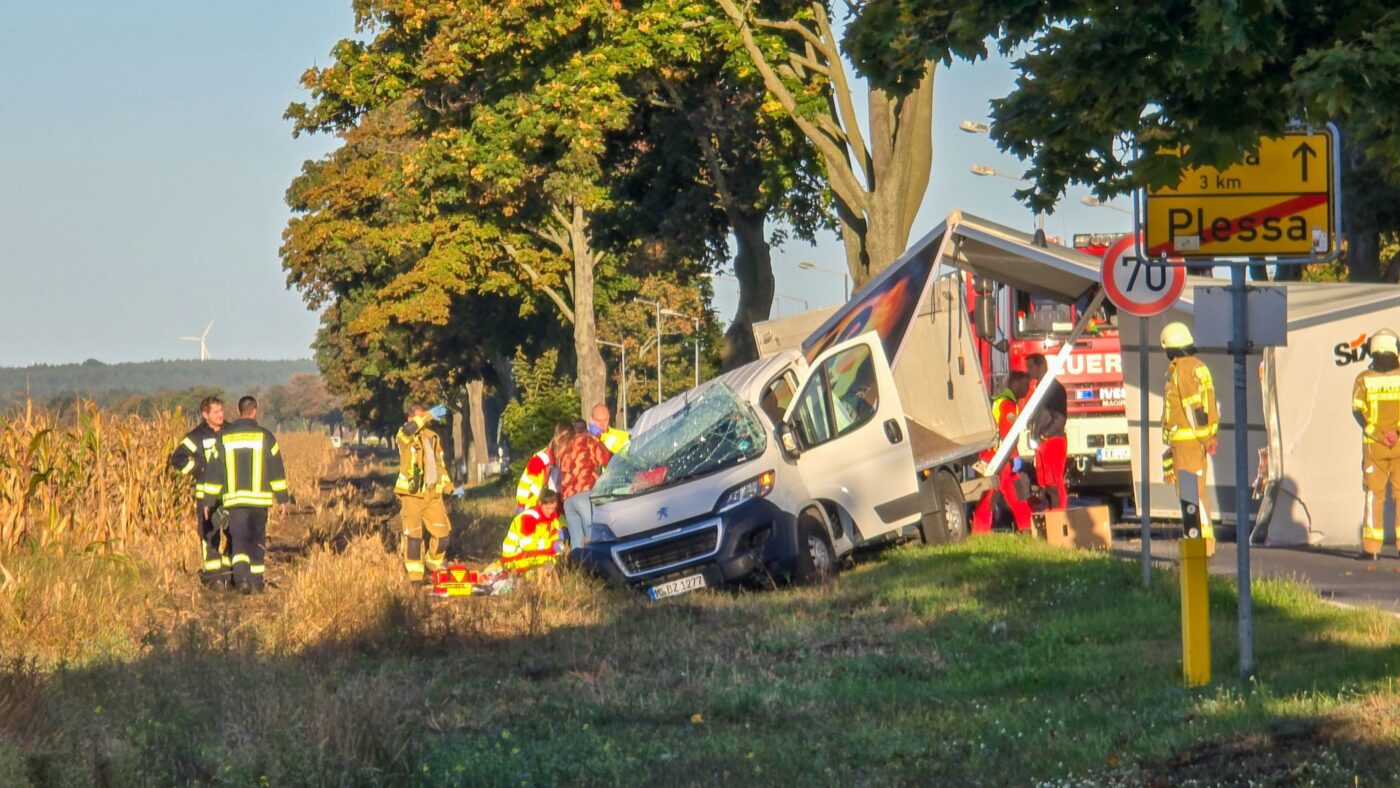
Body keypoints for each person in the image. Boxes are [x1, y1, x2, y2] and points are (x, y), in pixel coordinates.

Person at [200, 396, 288, 594]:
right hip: (259, 503)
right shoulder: (266, 437)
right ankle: (256, 583)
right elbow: (276, 470)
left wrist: (208, 500)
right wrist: (282, 499)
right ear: (255, 411)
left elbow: (215, 471)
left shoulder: (225, 437)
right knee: (257, 541)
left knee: (239, 541)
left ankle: (241, 581)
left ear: (238, 412)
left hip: (236, 503)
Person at [1160, 322, 1219, 555]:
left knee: (1191, 496)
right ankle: (1199, 545)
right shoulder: (1197, 366)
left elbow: (1194, 409)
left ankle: (1200, 548)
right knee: (1193, 495)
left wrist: (1205, 439)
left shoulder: (1183, 370)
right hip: (1189, 443)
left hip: (1188, 444)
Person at [394, 403, 463, 581]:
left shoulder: (432, 437)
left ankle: (433, 565)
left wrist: (451, 488)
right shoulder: (404, 436)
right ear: (411, 418)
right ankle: (415, 576)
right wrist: (428, 414)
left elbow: (440, 466)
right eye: (420, 416)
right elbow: (407, 430)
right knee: (414, 537)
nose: (425, 420)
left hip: (433, 496)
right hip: (412, 496)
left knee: (443, 535)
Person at [169, 395, 231, 587]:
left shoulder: (231, 432)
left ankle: (229, 575)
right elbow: (177, 459)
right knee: (209, 535)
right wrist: (198, 469)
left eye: (221, 411)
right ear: (205, 414)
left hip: (229, 494)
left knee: (232, 534)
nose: (220, 415)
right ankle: (214, 578)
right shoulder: (196, 436)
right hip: (205, 496)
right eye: (216, 412)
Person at [1352, 329, 1400, 560]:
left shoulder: (1364, 379)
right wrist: (1395, 434)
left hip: (1373, 448)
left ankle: (1371, 549)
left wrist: (1379, 435)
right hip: (1399, 445)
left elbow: (1357, 411)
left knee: (1374, 496)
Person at [973, 371, 1034, 533]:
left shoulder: (1000, 401)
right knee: (1015, 495)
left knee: (988, 497)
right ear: (1015, 385)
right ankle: (1027, 528)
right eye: (1025, 386)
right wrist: (1014, 458)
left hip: (992, 457)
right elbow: (1008, 434)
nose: (1027, 390)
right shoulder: (1007, 404)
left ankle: (980, 532)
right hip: (1000, 459)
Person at [555, 420, 611, 549]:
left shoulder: (561, 449)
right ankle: (597, 568)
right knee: (593, 538)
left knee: (576, 544)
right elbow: (605, 458)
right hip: (585, 492)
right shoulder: (587, 440)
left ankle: (577, 567)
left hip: (568, 499)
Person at [1025, 354, 1069, 511]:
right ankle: (1051, 517)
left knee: (1054, 483)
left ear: (1041, 365)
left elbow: (1060, 418)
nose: (1027, 371)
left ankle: (1059, 518)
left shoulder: (1054, 388)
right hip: (1043, 442)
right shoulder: (1040, 387)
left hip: (1053, 441)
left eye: (1030, 367)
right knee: (1044, 482)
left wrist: (1044, 434)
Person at [514, 422, 573, 513]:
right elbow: (525, 482)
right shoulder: (540, 460)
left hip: (551, 507)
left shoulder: (563, 460)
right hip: (532, 505)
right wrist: (521, 505)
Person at [501, 490, 564, 572]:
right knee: (545, 559)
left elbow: (555, 542)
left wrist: (558, 542)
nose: (550, 511)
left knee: (552, 559)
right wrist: (551, 547)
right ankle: (536, 580)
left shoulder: (552, 520)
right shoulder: (529, 518)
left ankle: (542, 580)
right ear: (540, 504)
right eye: (547, 508)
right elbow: (527, 546)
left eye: (553, 508)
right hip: (514, 557)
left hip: (529, 555)